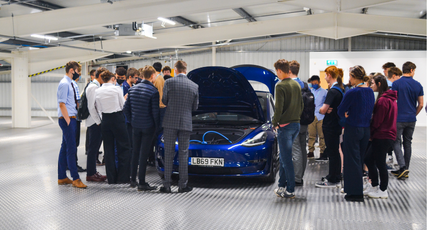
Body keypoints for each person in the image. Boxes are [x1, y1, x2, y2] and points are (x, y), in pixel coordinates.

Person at [338, 65, 375, 202]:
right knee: (359, 159)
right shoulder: (370, 92)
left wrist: (346, 114)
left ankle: (354, 192)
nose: (349, 79)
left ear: (353, 77)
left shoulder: (352, 92)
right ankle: (358, 188)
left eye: (350, 76)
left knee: (351, 160)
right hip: (366, 129)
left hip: (353, 128)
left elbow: (340, 110)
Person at [160, 60, 199, 193]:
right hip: (186, 123)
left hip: (170, 122)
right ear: (186, 70)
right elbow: (195, 107)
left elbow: (164, 100)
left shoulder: (169, 82)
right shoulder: (194, 86)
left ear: (175, 70)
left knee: (169, 153)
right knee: (183, 154)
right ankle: (183, 185)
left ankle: (166, 185)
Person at [124, 66, 160, 191]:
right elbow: (155, 113)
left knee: (135, 152)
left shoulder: (132, 90)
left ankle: (133, 180)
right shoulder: (153, 91)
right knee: (143, 155)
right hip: (148, 127)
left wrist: (132, 121)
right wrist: (157, 127)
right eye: (154, 76)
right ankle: (142, 183)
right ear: (151, 76)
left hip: (136, 126)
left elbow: (126, 108)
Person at [272, 59, 303, 199]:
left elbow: (278, 108)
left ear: (279, 70)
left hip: (284, 127)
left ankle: (290, 190)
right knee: (285, 157)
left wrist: (274, 123)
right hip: (296, 125)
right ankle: (281, 186)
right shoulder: (296, 84)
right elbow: (301, 105)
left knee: (286, 159)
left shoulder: (280, 86)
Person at [94, 70, 131, 184]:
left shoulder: (98, 91)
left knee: (108, 149)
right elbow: (122, 105)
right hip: (117, 118)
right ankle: (123, 177)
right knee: (124, 147)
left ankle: (111, 178)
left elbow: (98, 108)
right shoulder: (116, 89)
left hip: (105, 119)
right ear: (113, 79)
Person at [363, 74, 397, 199]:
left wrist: (370, 133)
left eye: (372, 83)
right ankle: (375, 185)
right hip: (385, 134)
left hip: (383, 135)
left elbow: (377, 120)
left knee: (379, 163)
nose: (371, 85)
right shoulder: (389, 98)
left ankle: (383, 189)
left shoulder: (383, 101)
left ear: (378, 84)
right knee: (369, 159)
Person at [56, 61, 87, 189]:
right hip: (67, 119)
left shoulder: (71, 83)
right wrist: (68, 120)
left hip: (72, 118)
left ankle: (62, 177)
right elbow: (61, 103)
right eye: (78, 71)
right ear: (71, 70)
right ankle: (76, 178)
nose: (79, 74)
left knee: (65, 148)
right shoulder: (64, 84)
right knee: (71, 149)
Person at [391, 62, 424, 179]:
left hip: (399, 118)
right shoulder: (418, 85)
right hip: (411, 119)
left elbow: (392, 101)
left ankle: (402, 167)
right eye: (414, 70)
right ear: (411, 70)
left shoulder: (396, 84)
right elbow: (421, 104)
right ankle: (405, 168)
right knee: (407, 143)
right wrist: (413, 114)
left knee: (396, 142)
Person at [315, 66, 344, 188]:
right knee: (334, 152)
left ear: (330, 76)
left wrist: (323, 110)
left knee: (333, 153)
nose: (325, 77)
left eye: (326, 75)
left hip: (331, 125)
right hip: (335, 124)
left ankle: (333, 178)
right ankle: (334, 175)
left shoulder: (332, 91)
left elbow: (323, 109)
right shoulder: (340, 89)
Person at [289, 60, 310, 186]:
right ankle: (300, 175)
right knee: (303, 149)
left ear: (289, 71)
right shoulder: (305, 85)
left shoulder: (291, 85)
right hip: (305, 122)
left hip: (294, 122)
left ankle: (296, 178)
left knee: (295, 150)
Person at [85, 67, 107, 182]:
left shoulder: (96, 86)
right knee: (93, 149)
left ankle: (93, 172)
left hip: (96, 121)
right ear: (99, 76)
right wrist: (99, 122)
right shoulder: (93, 87)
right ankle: (90, 174)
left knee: (95, 148)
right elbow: (91, 107)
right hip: (94, 122)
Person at [70, 66, 86, 172]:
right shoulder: (72, 84)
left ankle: (71, 163)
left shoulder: (73, 84)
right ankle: (72, 164)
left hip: (75, 117)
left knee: (73, 142)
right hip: (74, 117)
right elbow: (77, 102)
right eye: (78, 72)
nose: (79, 74)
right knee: (73, 142)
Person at [151, 62, 167, 165]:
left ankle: (155, 156)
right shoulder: (162, 79)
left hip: (159, 108)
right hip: (163, 107)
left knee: (156, 132)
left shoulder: (156, 79)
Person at [308, 75, 327, 159]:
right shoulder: (310, 92)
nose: (314, 84)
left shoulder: (325, 92)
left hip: (321, 116)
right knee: (311, 135)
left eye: (315, 83)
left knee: (321, 136)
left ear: (319, 82)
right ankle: (310, 151)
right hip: (311, 116)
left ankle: (322, 152)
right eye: (312, 83)